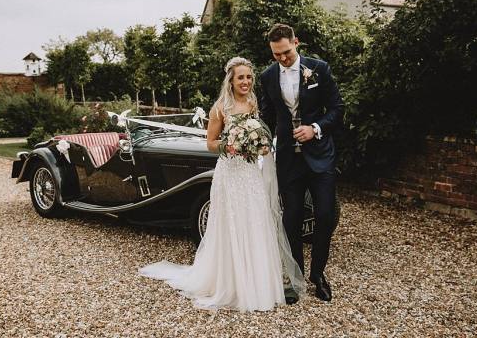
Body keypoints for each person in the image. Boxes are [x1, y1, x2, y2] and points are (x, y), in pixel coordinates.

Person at [139, 56, 305, 312]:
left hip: (250, 174)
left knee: (255, 221)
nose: (246, 82)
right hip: (229, 174)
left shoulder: (252, 102)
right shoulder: (220, 107)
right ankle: (232, 284)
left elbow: (255, 133)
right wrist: (230, 145)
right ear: (231, 80)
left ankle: (258, 283)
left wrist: (257, 144)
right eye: (241, 77)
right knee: (232, 225)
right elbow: (210, 143)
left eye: (249, 77)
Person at [260, 23, 345, 302]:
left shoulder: (319, 69)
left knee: (324, 216)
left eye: (286, 52)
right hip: (288, 158)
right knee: (291, 218)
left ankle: (318, 274)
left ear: (296, 42)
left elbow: (337, 109)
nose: (282, 59)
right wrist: (257, 136)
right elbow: (268, 115)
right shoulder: (268, 76)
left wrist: (316, 128)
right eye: (276, 55)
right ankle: (296, 278)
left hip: (321, 156)